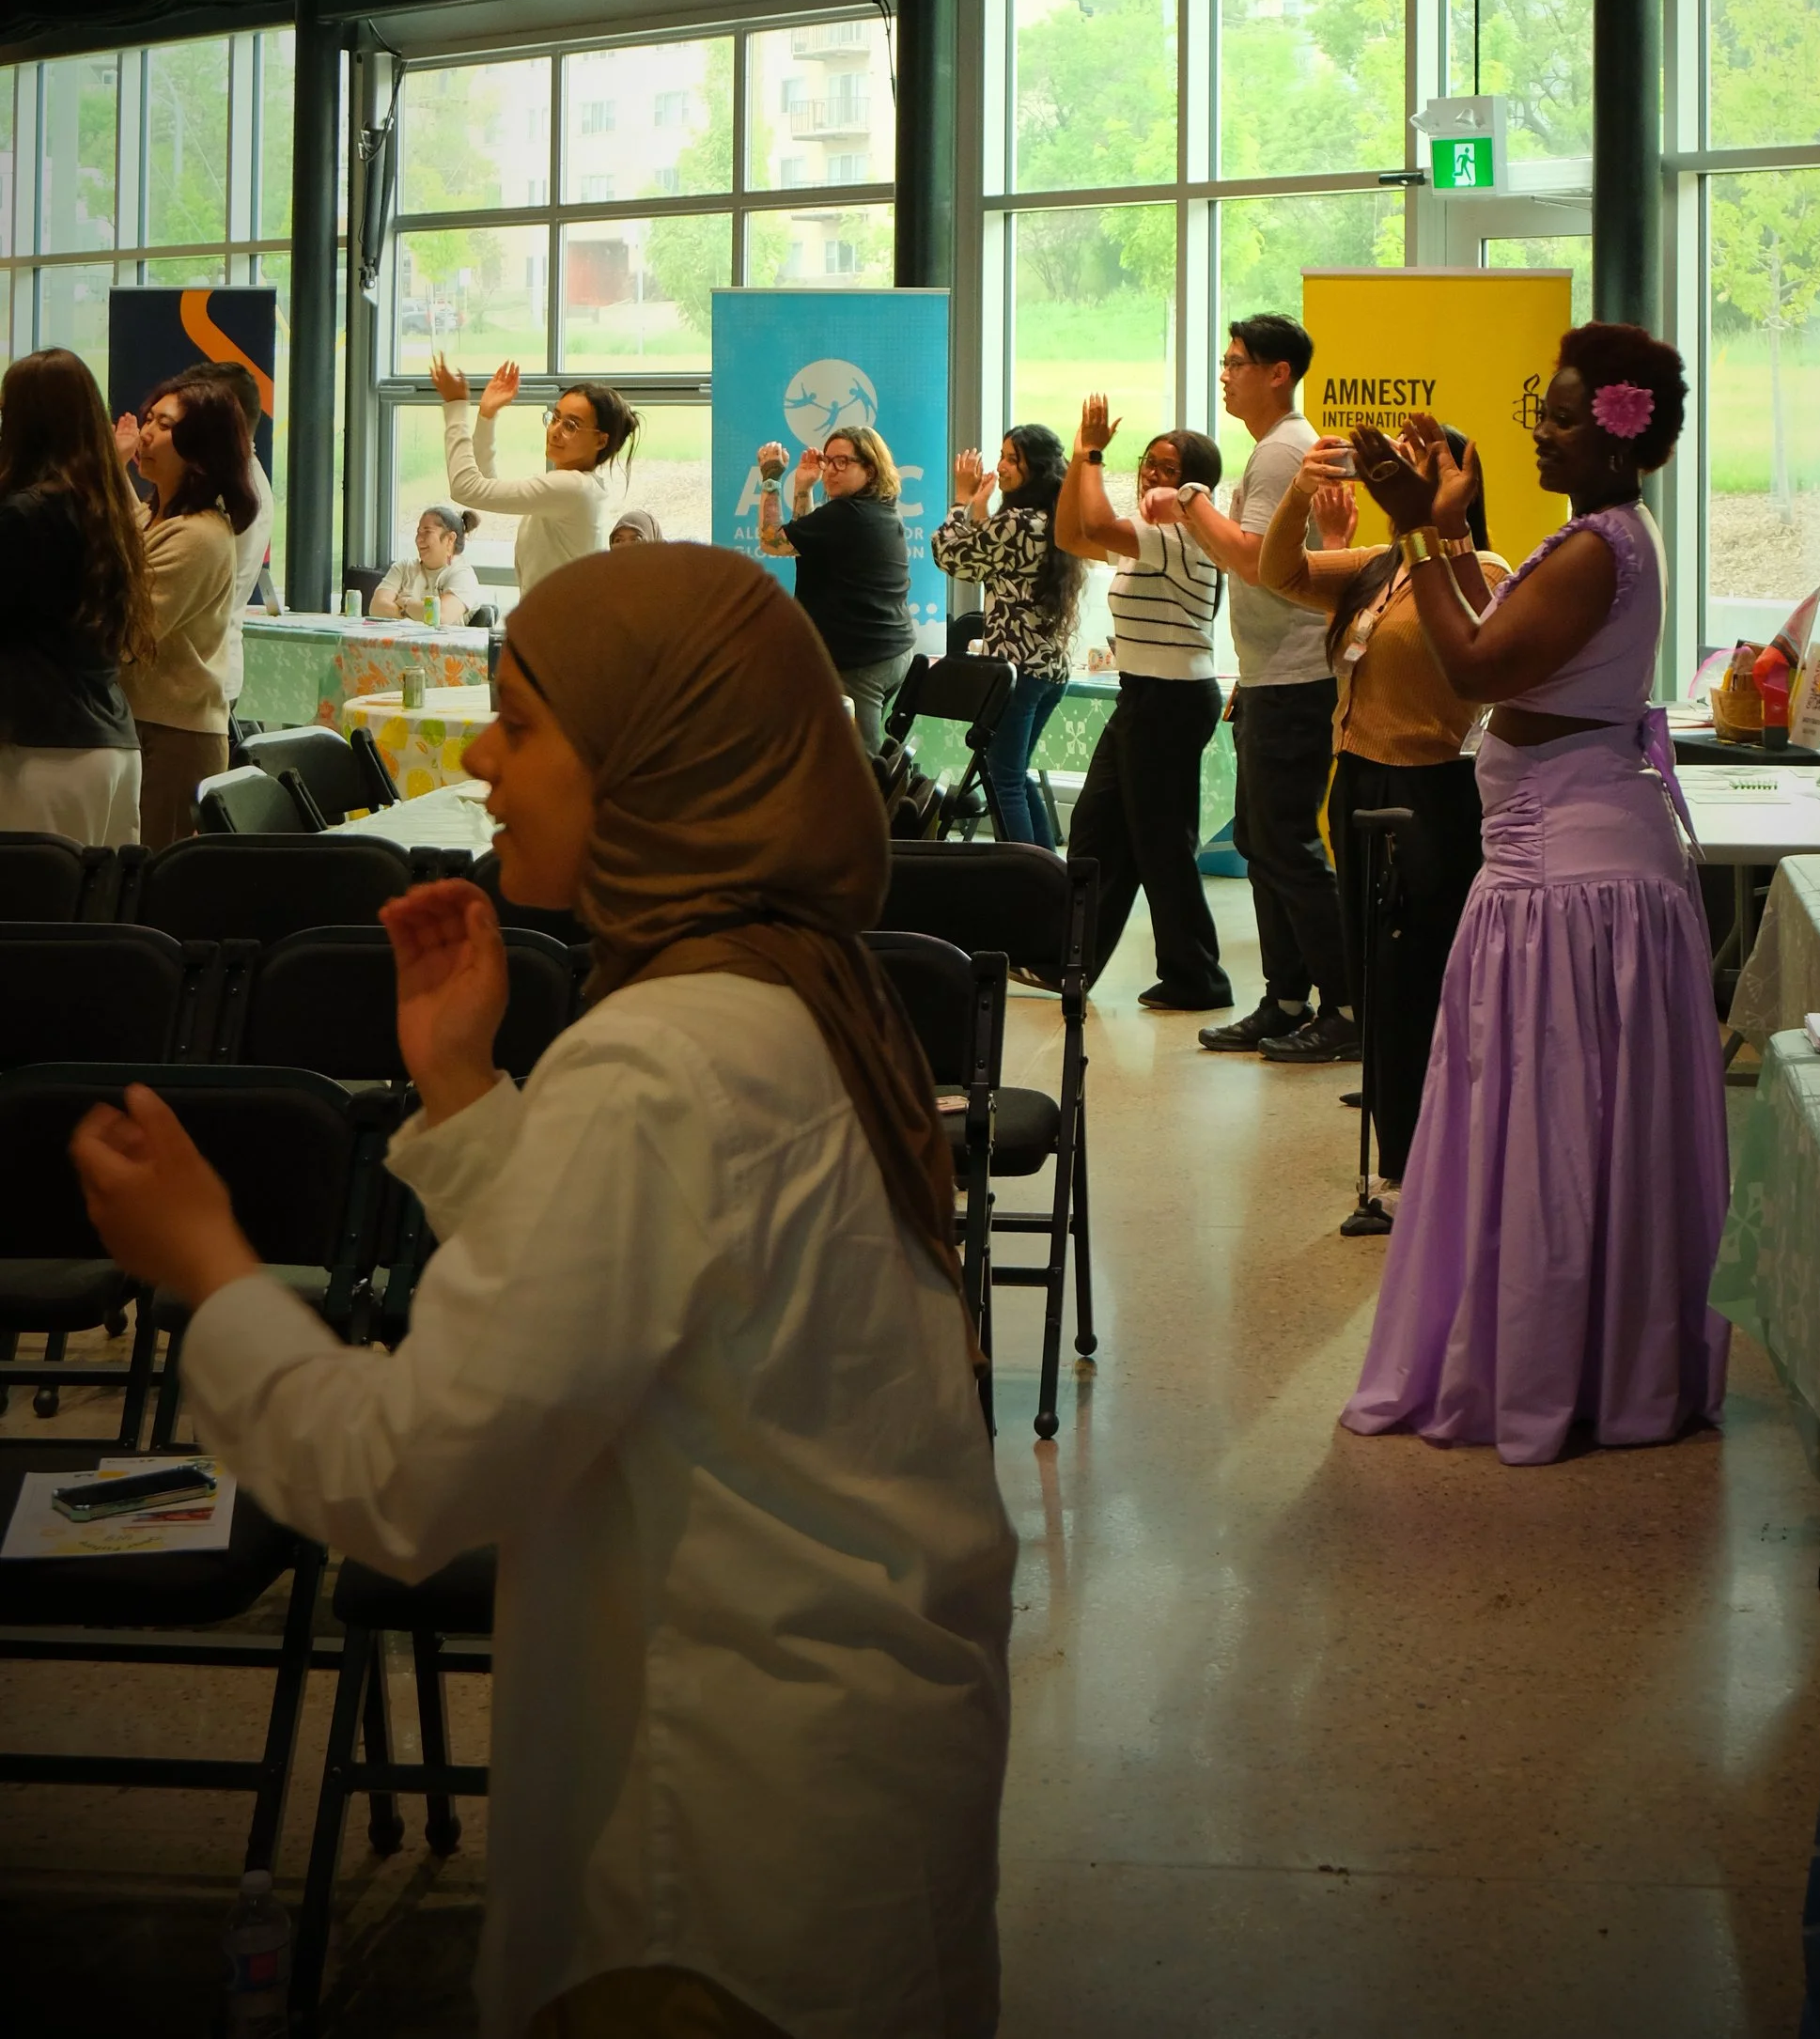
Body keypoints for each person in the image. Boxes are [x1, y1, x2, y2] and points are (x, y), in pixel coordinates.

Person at [70, 541, 1015, 2039]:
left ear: (651, 756)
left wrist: (213, 1270)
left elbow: (411, 1476)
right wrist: (460, 1093)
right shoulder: (787, 989)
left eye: (520, 722)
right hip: (839, 1804)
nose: (485, 762)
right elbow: (647, 1312)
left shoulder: (660, 1053)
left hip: (714, 1861)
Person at [1341, 323, 1729, 1464]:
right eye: (1542, 414)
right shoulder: (1600, 538)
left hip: (1569, 886)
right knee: (1564, 1133)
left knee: (1555, 1135)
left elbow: (1470, 664)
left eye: (1560, 418)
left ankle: (1549, 1370)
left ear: (1619, 437)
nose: (1539, 433)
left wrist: (1416, 527)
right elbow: (1500, 636)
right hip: (1569, 867)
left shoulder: (1597, 547)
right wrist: (1450, 529)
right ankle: (1584, 1356)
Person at [1258, 416, 1508, 1163]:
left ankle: (1426, 1155)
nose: (1390, 468)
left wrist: (1443, 529)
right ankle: (1398, 1146)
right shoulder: (1382, 565)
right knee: (1372, 977)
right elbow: (1281, 573)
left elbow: (1481, 636)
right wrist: (1300, 491)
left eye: (1412, 460)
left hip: (1431, 792)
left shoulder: (1483, 565)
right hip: (1360, 780)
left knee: (1414, 977)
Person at [1168, 315, 1353, 1063]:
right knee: (1261, 841)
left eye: (1237, 362)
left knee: (1287, 845)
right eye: (1225, 360)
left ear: (1278, 373)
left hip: (1298, 676)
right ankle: (1286, 997)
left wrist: (1191, 501)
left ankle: (1345, 1007)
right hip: (1272, 673)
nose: (1225, 373)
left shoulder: (1282, 454)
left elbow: (1252, 561)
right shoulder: (1273, 451)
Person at [1054, 397, 1231, 1010]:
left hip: (1173, 698)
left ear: (1195, 483)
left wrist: (1094, 456)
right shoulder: (1149, 537)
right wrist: (1082, 455)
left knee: (1160, 843)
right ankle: (1070, 964)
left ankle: (1199, 978)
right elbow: (1071, 533)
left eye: (1167, 466)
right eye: (1147, 463)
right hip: (1145, 695)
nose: (1151, 474)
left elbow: (1097, 526)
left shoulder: (1182, 536)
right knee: (1098, 828)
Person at [0, 347, 150, 844]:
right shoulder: (100, 507)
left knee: (32, 918)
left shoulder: (26, 515)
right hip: (110, 744)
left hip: (41, 750)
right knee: (99, 916)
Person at [121, 376, 257, 848]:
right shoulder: (151, 514)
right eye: (147, 420)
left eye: (164, 424)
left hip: (174, 733)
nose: (145, 434)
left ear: (200, 449)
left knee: (149, 878)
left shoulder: (198, 534)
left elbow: (130, 633)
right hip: (143, 722)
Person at [932, 425, 1082, 842]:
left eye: (1013, 459)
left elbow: (951, 555)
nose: (1001, 466)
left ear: (1037, 468)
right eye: (1002, 455)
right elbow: (989, 558)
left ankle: (1027, 880)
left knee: (1004, 780)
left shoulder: (1017, 523)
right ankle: (1048, 872)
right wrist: (981, 506)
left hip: (1019, 672)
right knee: (1014, 773)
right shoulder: (1047, 519)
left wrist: (961, 499)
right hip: (1048, 669)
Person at [757, 422, 915, 753]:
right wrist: (803, 487)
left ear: (870, 470)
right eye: (828, 461)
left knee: (862, 769)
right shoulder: (880, 511)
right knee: (858, 758)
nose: (830, 470)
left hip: (859, 662)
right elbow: (807, 543)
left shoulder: (847, 514)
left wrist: (771, 478)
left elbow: (773, 541)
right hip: (891, 653)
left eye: (843, 462)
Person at [432, 356, 638, 599]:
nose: (555, 431)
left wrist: (456, 406)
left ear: (601, 440)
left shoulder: (573, 488)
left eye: (571, 425)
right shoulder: (573, 487)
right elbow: (487, 484)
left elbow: (465, 488)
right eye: (555, 418)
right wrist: (487, 414)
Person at [372, 501, 480, 623]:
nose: (418, 540)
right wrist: (419, 614)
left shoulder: (463, 575)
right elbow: (376, 608)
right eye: (418, 532)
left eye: (427, 532)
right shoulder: (403, 567)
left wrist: (405, 603)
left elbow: (441, 616)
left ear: (450, 539)